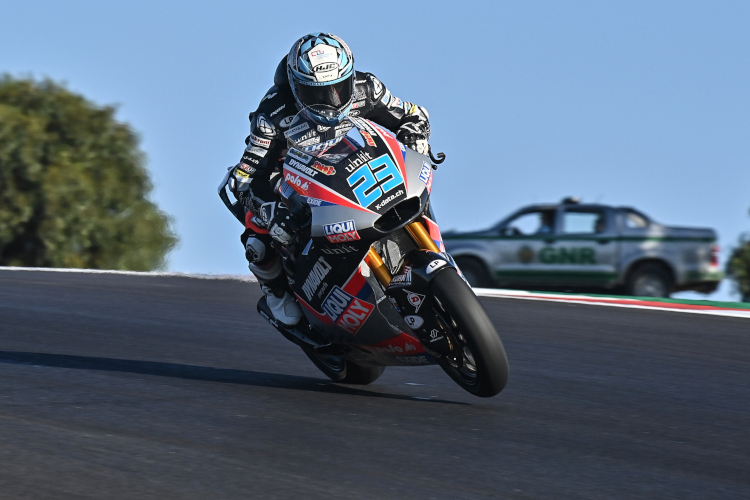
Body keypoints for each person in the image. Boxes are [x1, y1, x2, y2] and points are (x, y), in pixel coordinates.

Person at [222, 32, 431, 327]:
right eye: (317, 93)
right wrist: (270, 210)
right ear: (295, 87)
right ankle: (275, 291)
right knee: (259, 238)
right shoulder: (272, 113)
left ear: (350, 76)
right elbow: (245, 177)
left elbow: (412, 114)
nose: (331, 100)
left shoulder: (366, 87)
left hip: (355, 164)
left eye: (338, 88)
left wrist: (416, 133)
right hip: (291, 177)